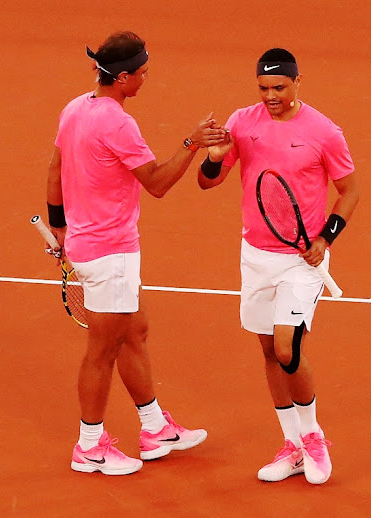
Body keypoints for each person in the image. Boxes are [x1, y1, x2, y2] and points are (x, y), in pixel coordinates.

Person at [45, 31, 228, 476]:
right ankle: (90, 446)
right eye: (142, 73)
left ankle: (154, 427)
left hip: (95, 245)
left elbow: (54, 170)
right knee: (101, 351)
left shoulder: (75, 108)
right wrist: (192, 144)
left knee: (134, 331)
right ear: (123, 77)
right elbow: (158, 183)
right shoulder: (118, 123)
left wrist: (59, 227)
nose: (146, 79)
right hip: (109, 252)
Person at [197, 48, 360, 484]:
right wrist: (215, 156)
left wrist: (326, 238)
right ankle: (291, 446)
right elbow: (207, 182)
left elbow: (350, 190)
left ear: (297, 82)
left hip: (300, 260)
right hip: (256, 256)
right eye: (264, 88)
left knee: (288, 348)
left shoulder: (323, 132)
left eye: (279, 87)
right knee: (269, 351)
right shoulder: (241, 122)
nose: (271, 96)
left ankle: (313, 437)